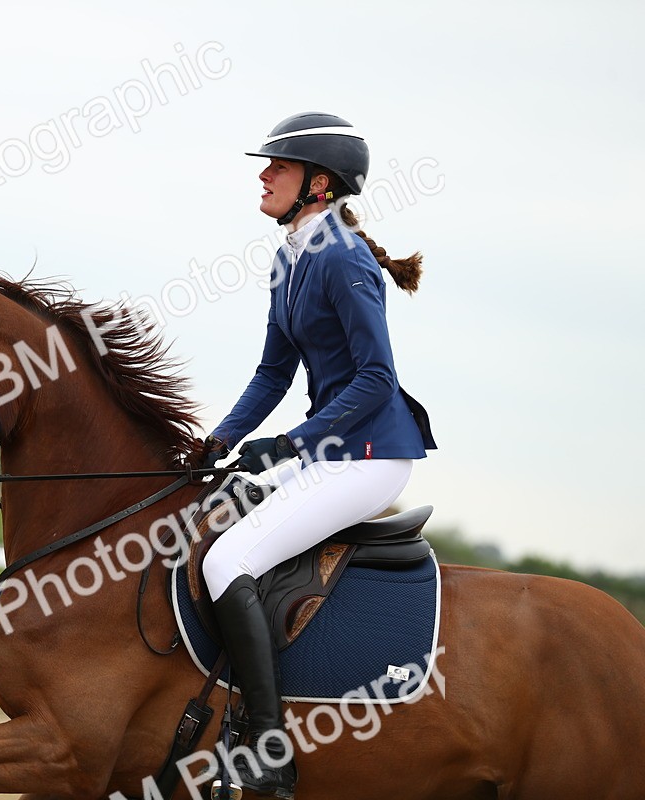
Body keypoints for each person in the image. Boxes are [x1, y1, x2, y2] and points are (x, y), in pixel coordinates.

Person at [189, 112, 437, 798]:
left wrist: (287, 444)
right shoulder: (290, 258)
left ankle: (269, 755)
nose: (263, 175)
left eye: (278, 167)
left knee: (227, 559)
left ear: (318, 186)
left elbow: (376, 378)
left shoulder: (344, 259)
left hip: (370, 455)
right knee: (211, 521)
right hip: (329, 452)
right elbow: (273, 373)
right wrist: (220, 440)